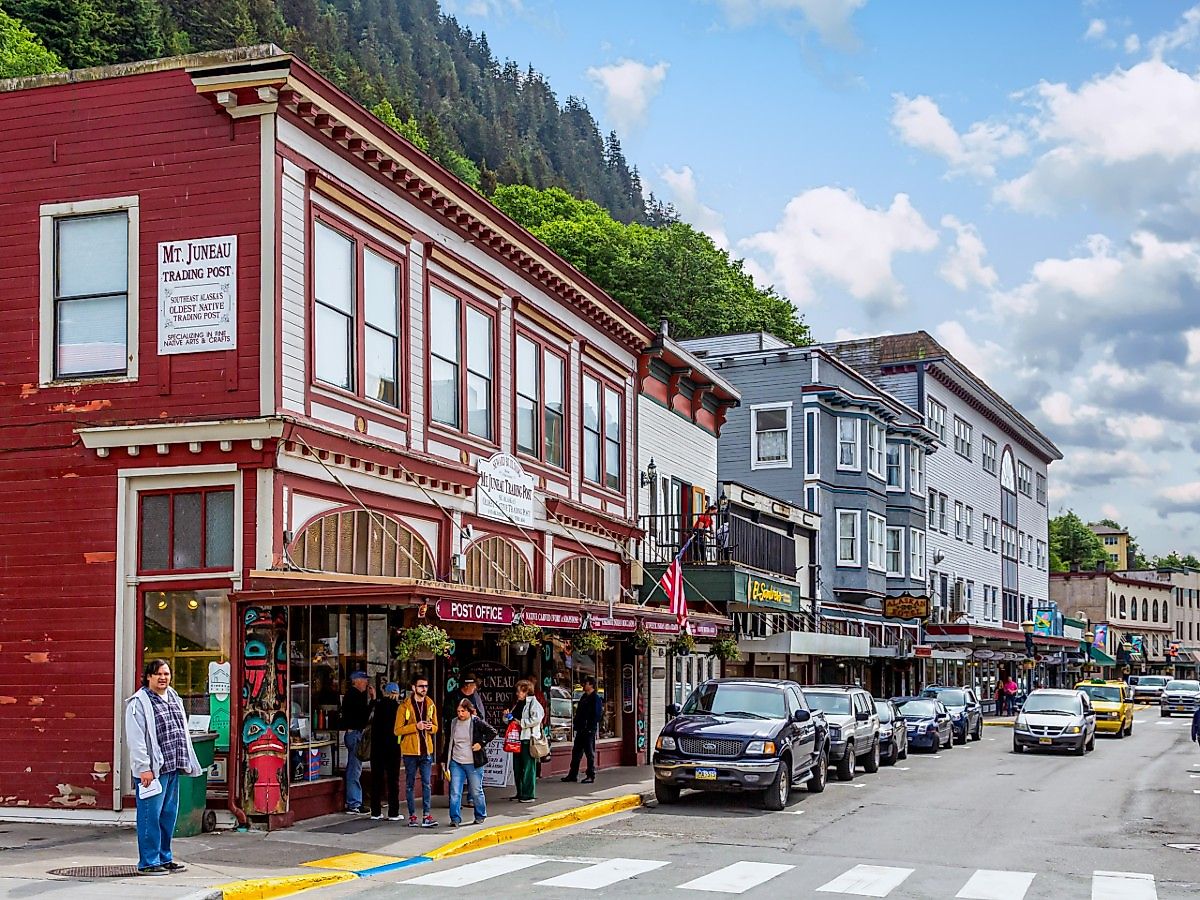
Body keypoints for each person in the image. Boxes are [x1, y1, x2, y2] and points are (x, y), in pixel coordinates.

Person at [124, 659, 202, 876]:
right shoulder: (138, 703)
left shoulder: (174, 697)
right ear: (148, 676)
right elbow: (137, 740)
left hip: (172, 766)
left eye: (166, 674)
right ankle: (148, 862)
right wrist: (143, 768)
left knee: (168, 815)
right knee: (150, 816)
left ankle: (164, 857)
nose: (163, 678)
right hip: (152, 772)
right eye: (158, 674)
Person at [446, 698, 498, 827]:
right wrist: (444, 760)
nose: (460, 714)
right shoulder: (453, 723)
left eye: (463, 711)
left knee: (475, 791)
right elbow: (449, 742)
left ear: (469, 711)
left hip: (473, 762)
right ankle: (455, 818)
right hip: (456, 761)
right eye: (458, 711)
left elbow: (492, 732)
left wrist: (481, 743)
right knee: (455, 792)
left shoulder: (476, 722)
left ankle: (480, 814)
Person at [396, 674, 439, 827]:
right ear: (413, 688)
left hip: (426, 750)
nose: (424, 689)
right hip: (410, 752)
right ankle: (412, 816)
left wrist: (430, 727)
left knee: (427, 784)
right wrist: (416, 726)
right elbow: (397, 730)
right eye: (421, 686)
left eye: (426, 686)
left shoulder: (430, 704)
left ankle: (427, 815)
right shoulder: (404, 706)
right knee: (410, 784)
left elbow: (436, 727)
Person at [505, 679, 544, 803]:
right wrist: (506, 716)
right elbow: (510, 720)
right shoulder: (518, 704)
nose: (517, 694)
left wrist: (521, 723)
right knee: (517, 767)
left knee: (528, 767)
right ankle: (520, 792)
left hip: (528, 738)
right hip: (516, 739)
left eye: (519, 691)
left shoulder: (534, 704)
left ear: (526, 691)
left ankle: (528, 794)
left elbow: (536, 719)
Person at [340, 671, 373, 814]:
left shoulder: (352, 695)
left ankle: (354, 801)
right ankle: (354, 803)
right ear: (357, 681)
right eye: (364, 680)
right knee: (355, 769)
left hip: (353, 733)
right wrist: (373, 700)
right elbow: (363, 716)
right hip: (355, 734)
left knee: (354, 767)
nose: (366, 683)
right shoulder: (355, 696)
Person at [369, 682, 402, 821]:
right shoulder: (398, 708)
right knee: (393, 780)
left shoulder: (378, 706)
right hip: (393, 747)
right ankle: (393, 812)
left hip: (377, 747)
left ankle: (375, 812)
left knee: (376, 779)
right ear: (397, 693)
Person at [562, 676, 603, 784]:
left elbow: (597, 715)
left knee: (589, 753)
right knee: (576, 752)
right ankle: (573, 774)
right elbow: (579, 712)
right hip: (581, 729)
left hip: (589, 730)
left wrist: (590, 727)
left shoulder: (595, 698)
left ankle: (591, 775)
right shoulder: (584, 697)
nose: (583, 685)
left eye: (585, 683)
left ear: (591, 685)